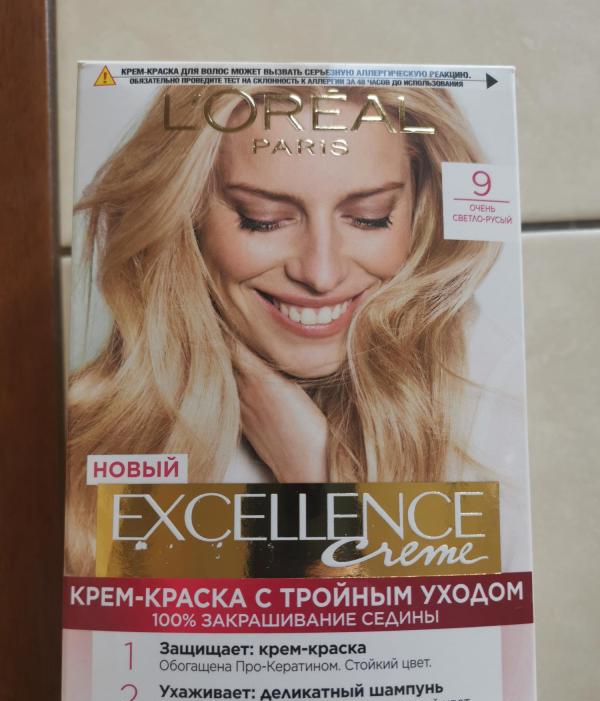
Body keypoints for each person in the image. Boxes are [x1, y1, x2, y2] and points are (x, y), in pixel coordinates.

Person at [66, 84, 499, 575]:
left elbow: (439, 627)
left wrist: (314, 476)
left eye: (369, 218)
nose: (321, 274)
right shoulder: (92, 430)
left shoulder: (488, 392)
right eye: (264, 220)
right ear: (187, 218)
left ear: (419, 212)